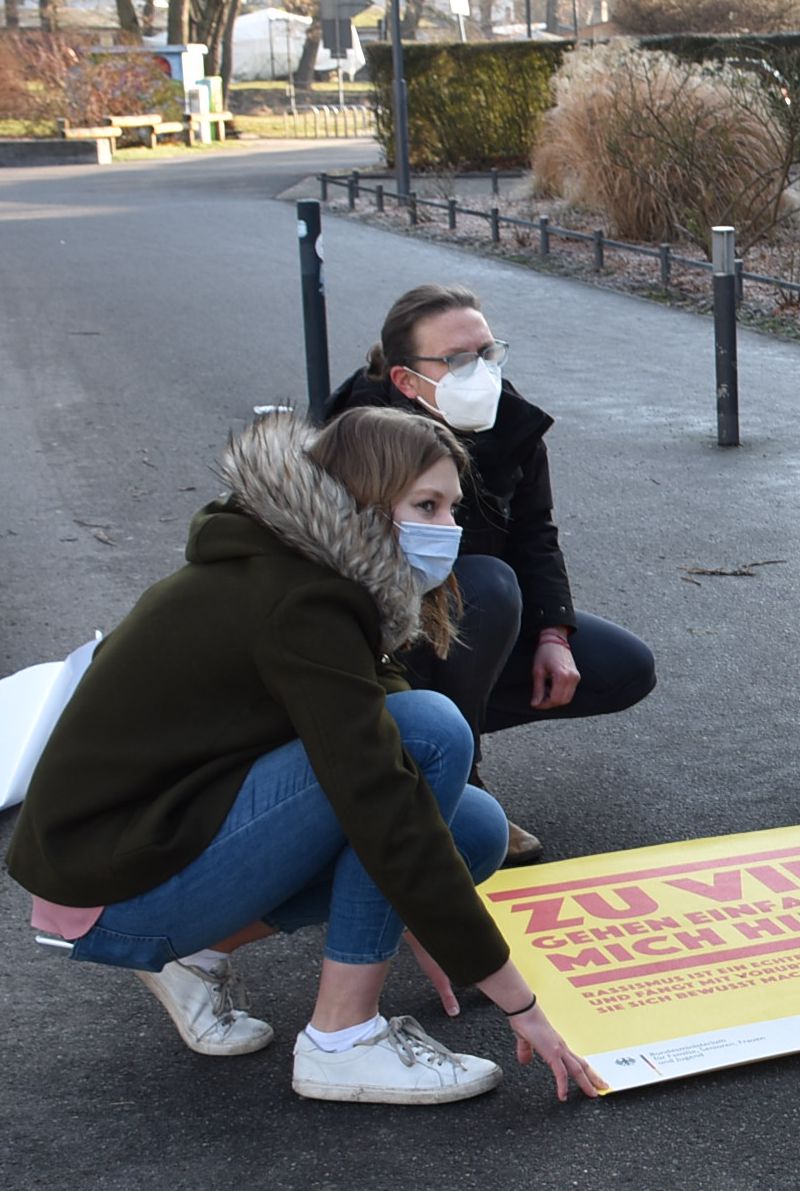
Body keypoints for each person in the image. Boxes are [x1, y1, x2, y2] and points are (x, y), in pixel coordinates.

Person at [7, 408, 603, 1104]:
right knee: (428, 731)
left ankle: (199, 955)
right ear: (365, 501)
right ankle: (342, 1040)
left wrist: (421, 910)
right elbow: (382, 789)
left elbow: (381, 770)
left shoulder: (305, 561)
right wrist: (520, 1001)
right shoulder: (303, 599)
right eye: (426, 506)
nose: (448, 528)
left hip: (152, 841)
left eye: (451, 507)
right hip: (109, 884)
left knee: (472, 828)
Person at [319, 284, 657, 866]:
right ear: (405, 381)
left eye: (487, 353)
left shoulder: (510, 419)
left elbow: (535, 529)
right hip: (377, 646)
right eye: (456, 361)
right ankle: (452, 785)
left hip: (470, 626)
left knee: (622, 669)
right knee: (491, 586)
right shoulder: (360, 440)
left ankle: (421, 749)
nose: (479, 372)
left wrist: (555, 633)